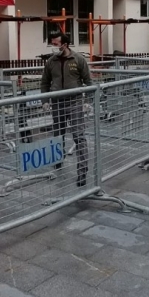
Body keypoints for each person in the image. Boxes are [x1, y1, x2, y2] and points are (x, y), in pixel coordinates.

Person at [40, 33, 92, 186]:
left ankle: (82, 172)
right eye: (52, 43)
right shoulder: (51, 61)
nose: (53, 47)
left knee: (78, 136)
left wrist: (87, 101)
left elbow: (88, 81)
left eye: (56, 44)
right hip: (57, 103)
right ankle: (58, 160)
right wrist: (45, 100)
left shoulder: (78, 59)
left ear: (65, 44)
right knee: (58, 134)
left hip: (74, 102)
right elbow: (45, 82)